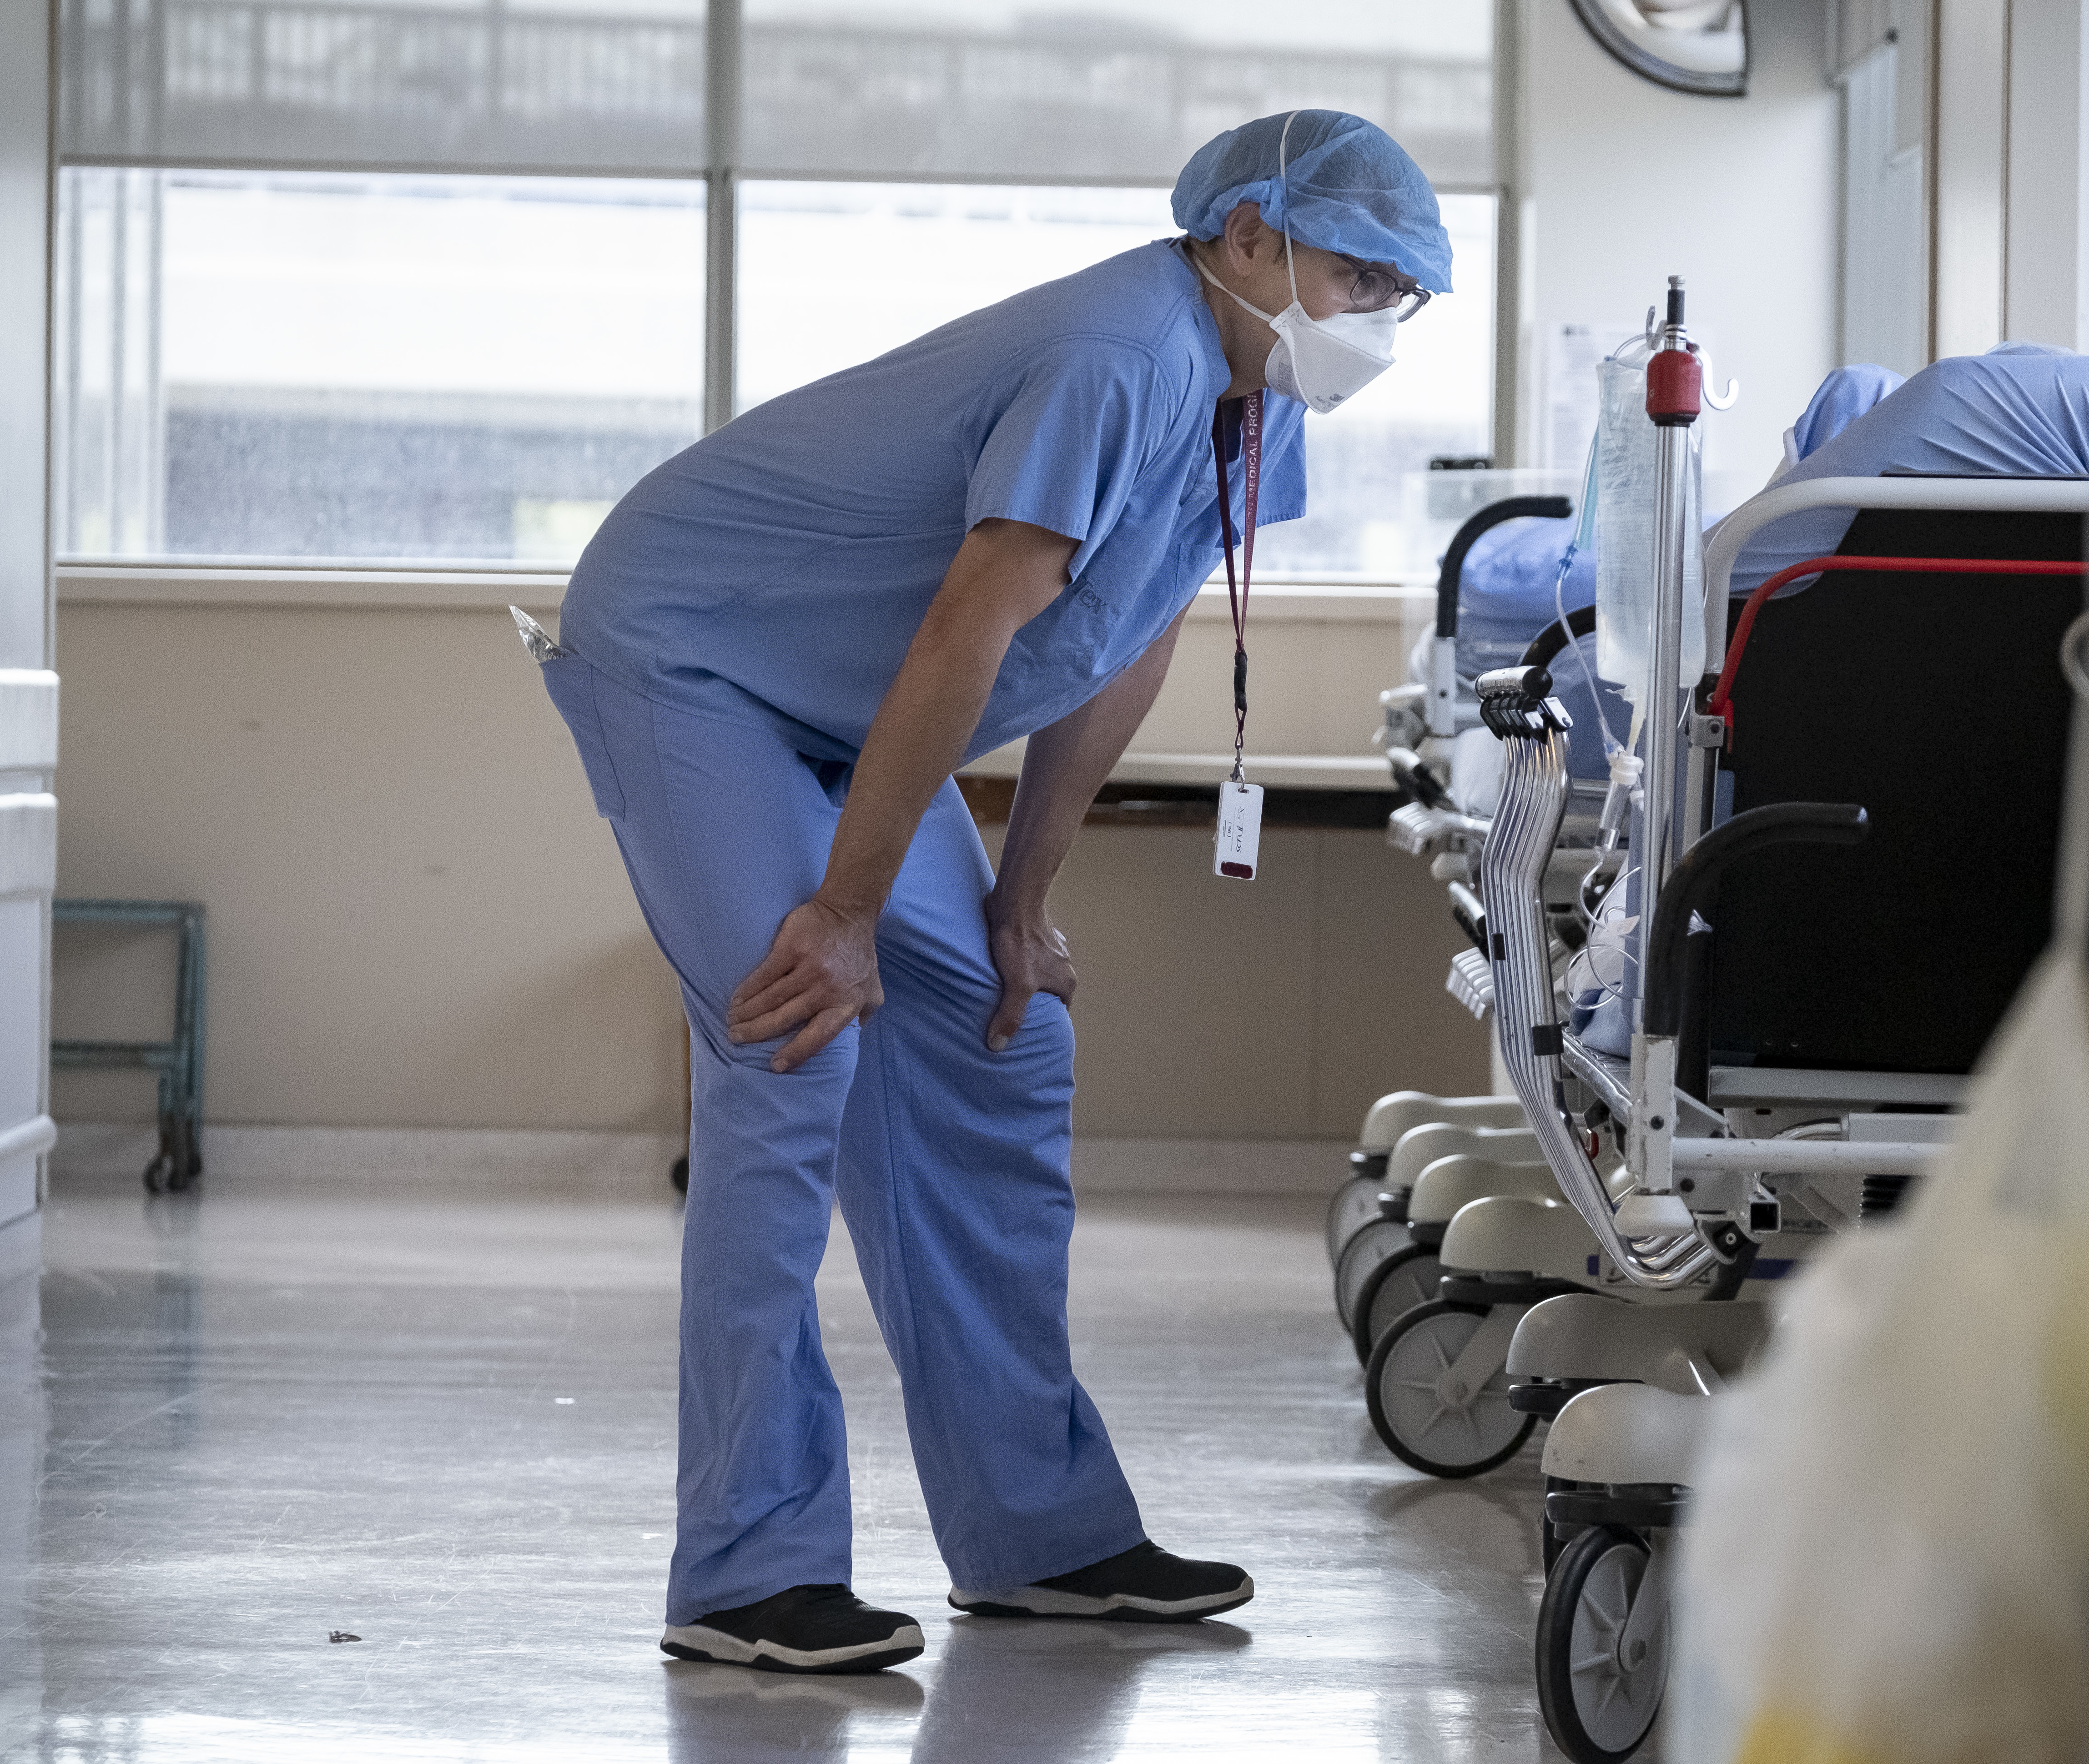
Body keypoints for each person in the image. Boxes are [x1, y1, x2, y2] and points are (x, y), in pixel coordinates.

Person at [532, 111, 1453, 1672]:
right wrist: (841, 909)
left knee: (996, 1035)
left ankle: (1045, 1535)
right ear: (1246, 235)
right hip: (695, 658)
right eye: (1351, 278)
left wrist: (1022, 898)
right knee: (794, 1029)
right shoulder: (1122, 356)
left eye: (1392, 297)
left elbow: (1129, 634)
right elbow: (970, 630)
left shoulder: (1251, 393)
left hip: (839, 701)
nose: (1366, 319)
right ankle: (747, 1570)